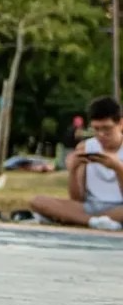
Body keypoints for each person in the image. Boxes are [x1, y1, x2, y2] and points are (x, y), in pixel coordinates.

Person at [30, 97, 123, 232]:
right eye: (96, 129)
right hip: (90, 207)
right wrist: (73, 170)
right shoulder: (85, 148)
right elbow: (77, 199)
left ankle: (74, 219)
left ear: (120, 124)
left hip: (119, 208)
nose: (101, 134)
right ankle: (94, 222)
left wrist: (118, 168)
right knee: (38, 201)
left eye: (107, 129)